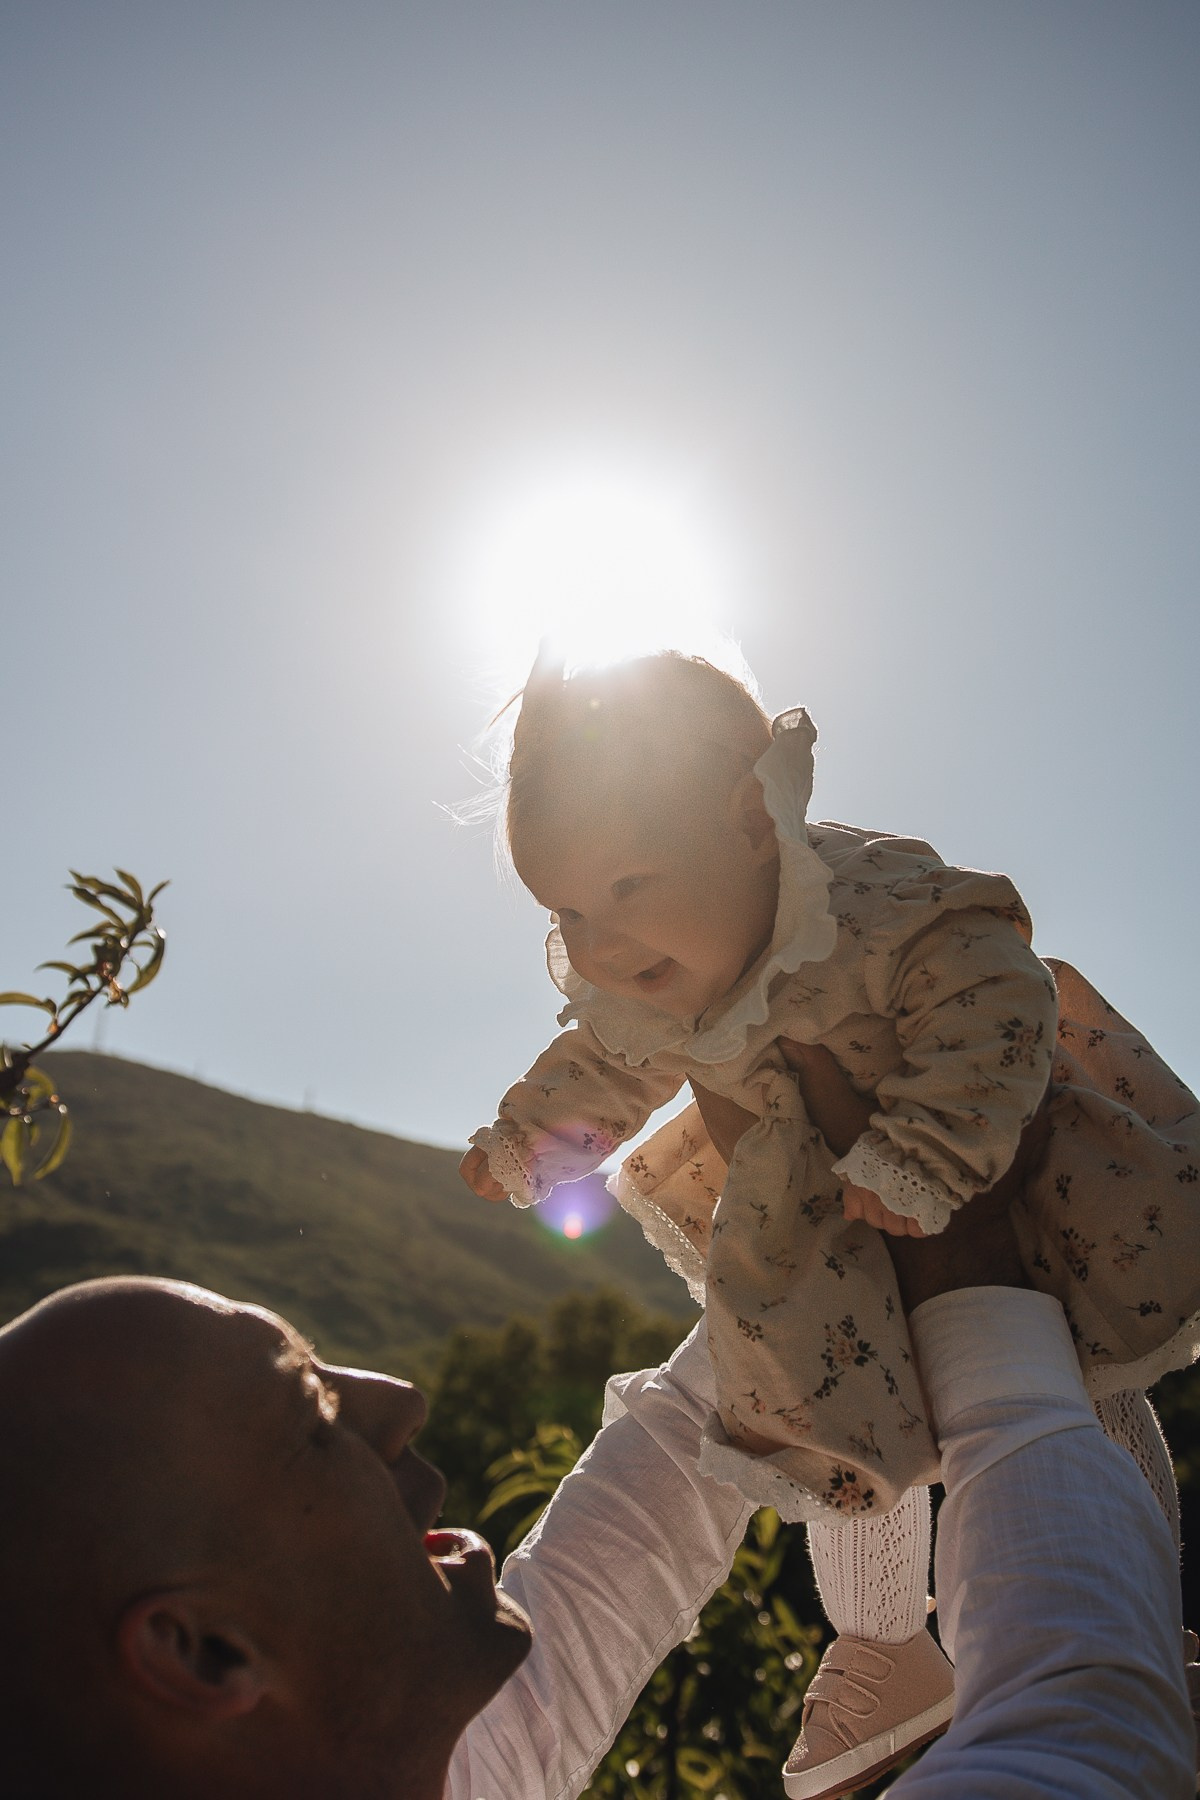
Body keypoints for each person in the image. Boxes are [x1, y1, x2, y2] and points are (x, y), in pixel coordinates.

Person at [461, 648, 1200, 1795]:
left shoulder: (869, 899)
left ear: (754, 819)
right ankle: (885, 1649)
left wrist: (928, 1144)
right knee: (830, 1426)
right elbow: (602, 1061)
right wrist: (528, 1140)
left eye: (627, 887)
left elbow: (995, 988)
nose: (601, 945)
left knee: (1083, 1376)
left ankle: (1144, 1608)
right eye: (567, 909)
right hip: (813, 1225)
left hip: (983, 1154)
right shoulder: (653, 977)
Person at [0, 1267, 1191, 1799]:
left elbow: (677, 1458)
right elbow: (1084, 1746)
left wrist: (815, 1228)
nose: (397, 1398)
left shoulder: (443, 1763)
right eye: (313, 1416)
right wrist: (981, 1296)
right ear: (204, 1652)